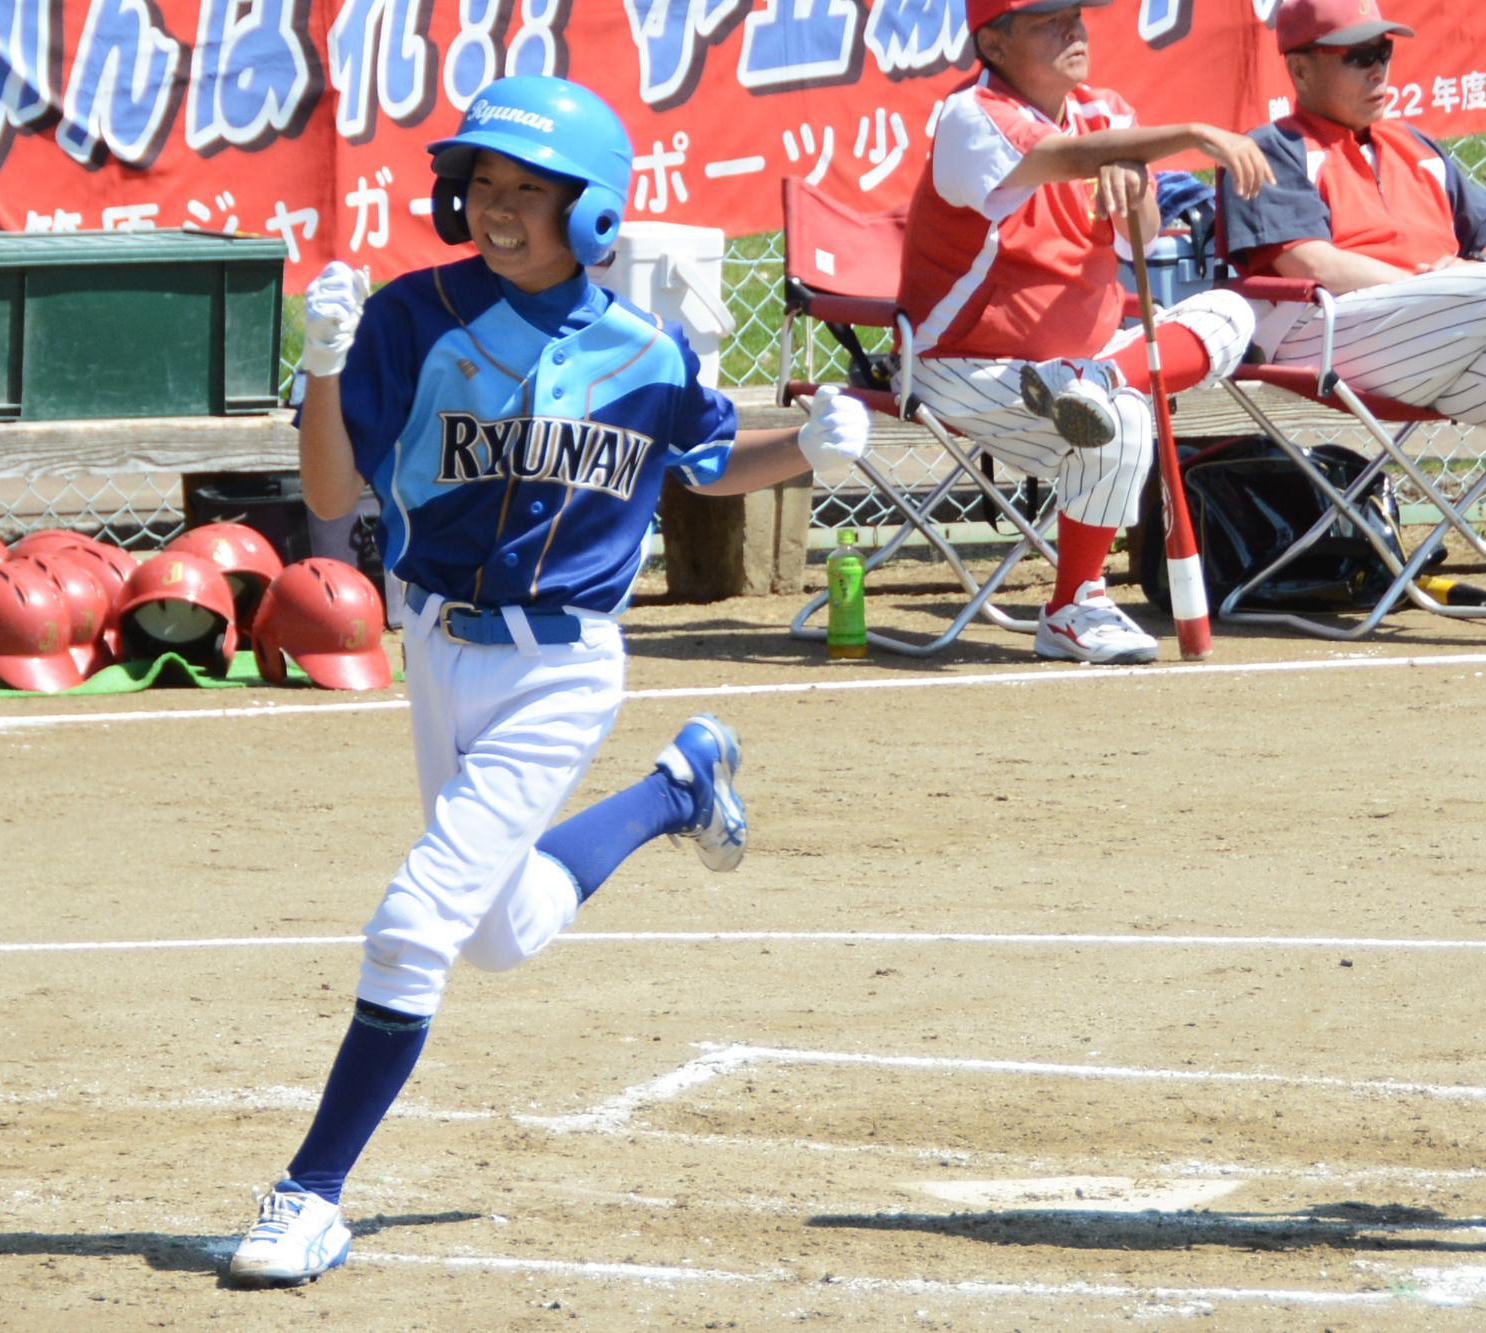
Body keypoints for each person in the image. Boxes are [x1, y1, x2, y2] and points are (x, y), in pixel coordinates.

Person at [224, 74, 869, 1288]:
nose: (497, 206)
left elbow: (709, 460)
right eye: (481, 183)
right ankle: (677, 791)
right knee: (500, 933)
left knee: (413, 925)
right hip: (435, 645)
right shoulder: (415, 318)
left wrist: (807, 447)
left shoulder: (642, 350)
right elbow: (327, 496)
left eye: (529, 189)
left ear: (592, 211)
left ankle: (308, 1193)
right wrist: (323, 366)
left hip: (562, 666)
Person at [899, 0, 1275, 663]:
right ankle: (1075, 604)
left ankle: (1097, 380)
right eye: (1047, 21)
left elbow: (1142, 241)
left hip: (1084, 367)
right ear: (994, 44)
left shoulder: (1107, 114)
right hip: (965, 363)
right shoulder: (970, 116)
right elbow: (1062, 156)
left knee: (1232, 312)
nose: (1072, 29)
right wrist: (1189, 133)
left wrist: (1135, 183)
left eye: (1074, 14)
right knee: (1124, 418)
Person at [1218, 0, 1486, 421]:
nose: (1378, 72)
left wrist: (1460, 277)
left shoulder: (1414, 145)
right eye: (1359, 56)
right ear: (1300, 70)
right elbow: (1310, 264)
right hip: (1323, 333)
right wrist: (1434, 283)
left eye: (1383, 52)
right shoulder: (1272, 148)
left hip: (1439, 335)